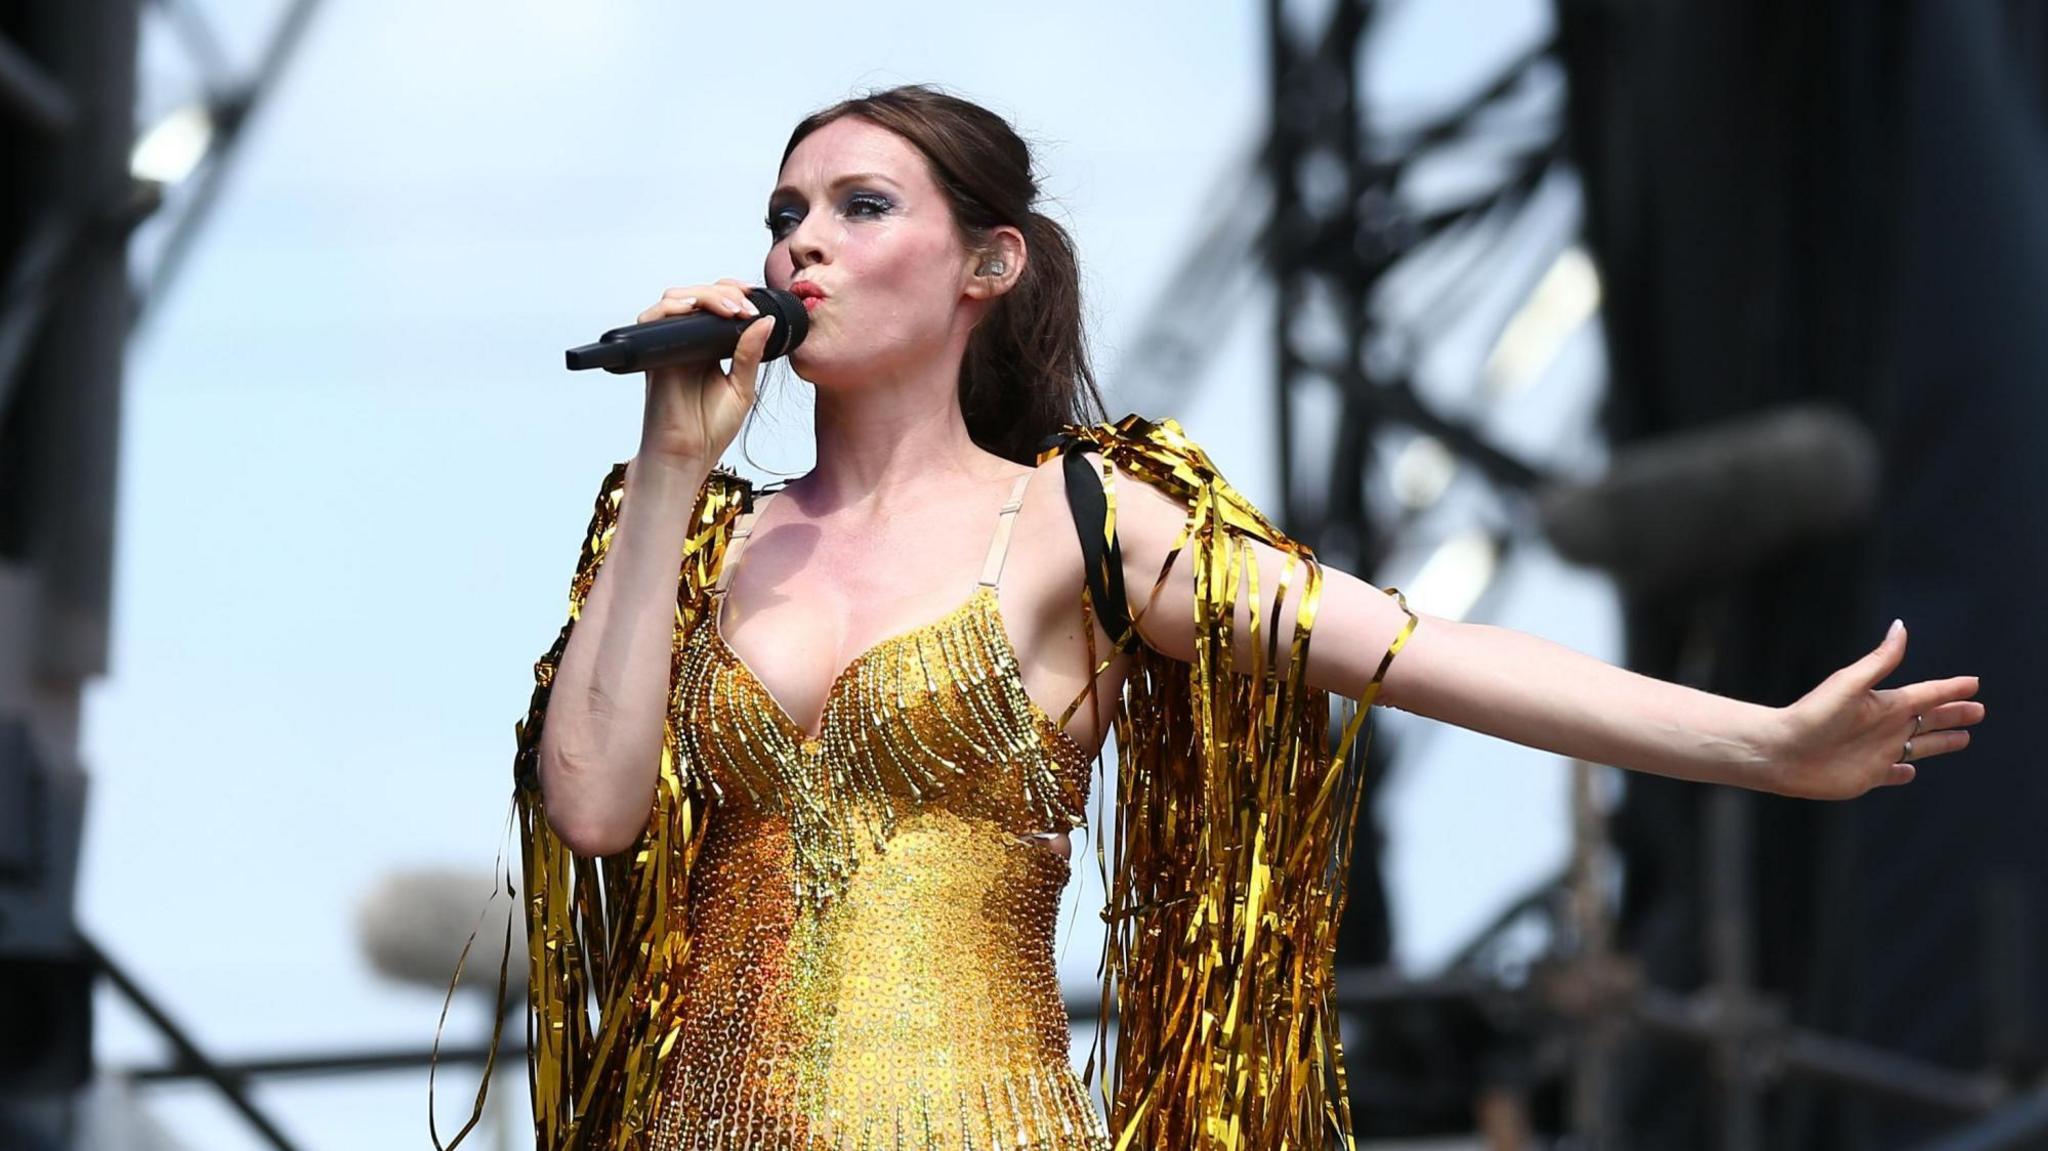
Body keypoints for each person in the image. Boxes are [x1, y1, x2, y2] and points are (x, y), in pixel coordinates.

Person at [489, 85, 1985, 1151]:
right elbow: (595, 807)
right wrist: (672, 462)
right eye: (785, 216)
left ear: (988, 265)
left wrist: (1763, 744)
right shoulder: (702, 539)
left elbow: (1422, 652)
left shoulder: (1076, 521)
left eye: (859, 207)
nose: (798, 247)